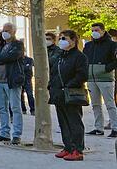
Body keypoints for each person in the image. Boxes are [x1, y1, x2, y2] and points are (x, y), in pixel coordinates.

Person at [49, 30, 89, 161]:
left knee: (74, 122)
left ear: (73, 41)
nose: (61, 41)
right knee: (63, 122)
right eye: (60, 38)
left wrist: (69, 85)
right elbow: (54, 72)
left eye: (64, 38)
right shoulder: (60, 56)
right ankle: (68, 147)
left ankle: (77, 149)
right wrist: (51, 86)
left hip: (71, 94)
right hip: (58, 94)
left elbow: (82, 75)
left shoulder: (79, 57)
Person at [0, 23, 25, 145]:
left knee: (15, 108)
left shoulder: (18, 45)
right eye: (3, 30)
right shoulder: (0, 46)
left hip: (12, 81)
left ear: (14, 31)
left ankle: (16, 134)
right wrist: (2, 57)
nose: (5, 32)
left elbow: (12, 57)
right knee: (2, 108)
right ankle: (4, 133)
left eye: (7, 30)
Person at [83, 23, 117, 137]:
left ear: (103, 31)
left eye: (96, 30)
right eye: (92, 30)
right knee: (95, 105)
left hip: (105, 79)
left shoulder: (112, 45)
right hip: (91, 79)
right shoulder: (88, 46)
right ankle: (98, 128)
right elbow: (84, 60)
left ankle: (115, 128)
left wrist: (106, 68)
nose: (94, 32)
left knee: (110, 104)